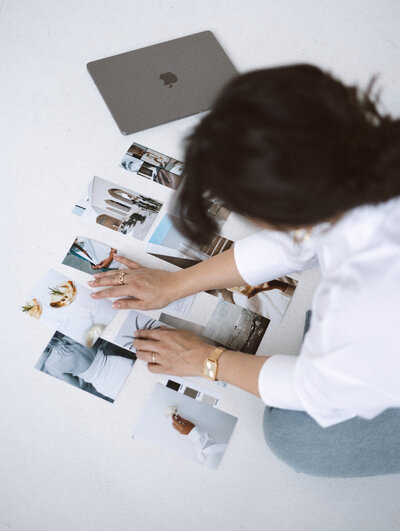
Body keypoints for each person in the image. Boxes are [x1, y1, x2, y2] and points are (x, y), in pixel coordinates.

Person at [88, 64, 400, 477]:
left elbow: (316, 388)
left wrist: (206, 359)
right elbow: (294, 245)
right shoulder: (366, 157)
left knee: (294, 436)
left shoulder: (364, 310)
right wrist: (176, 283)